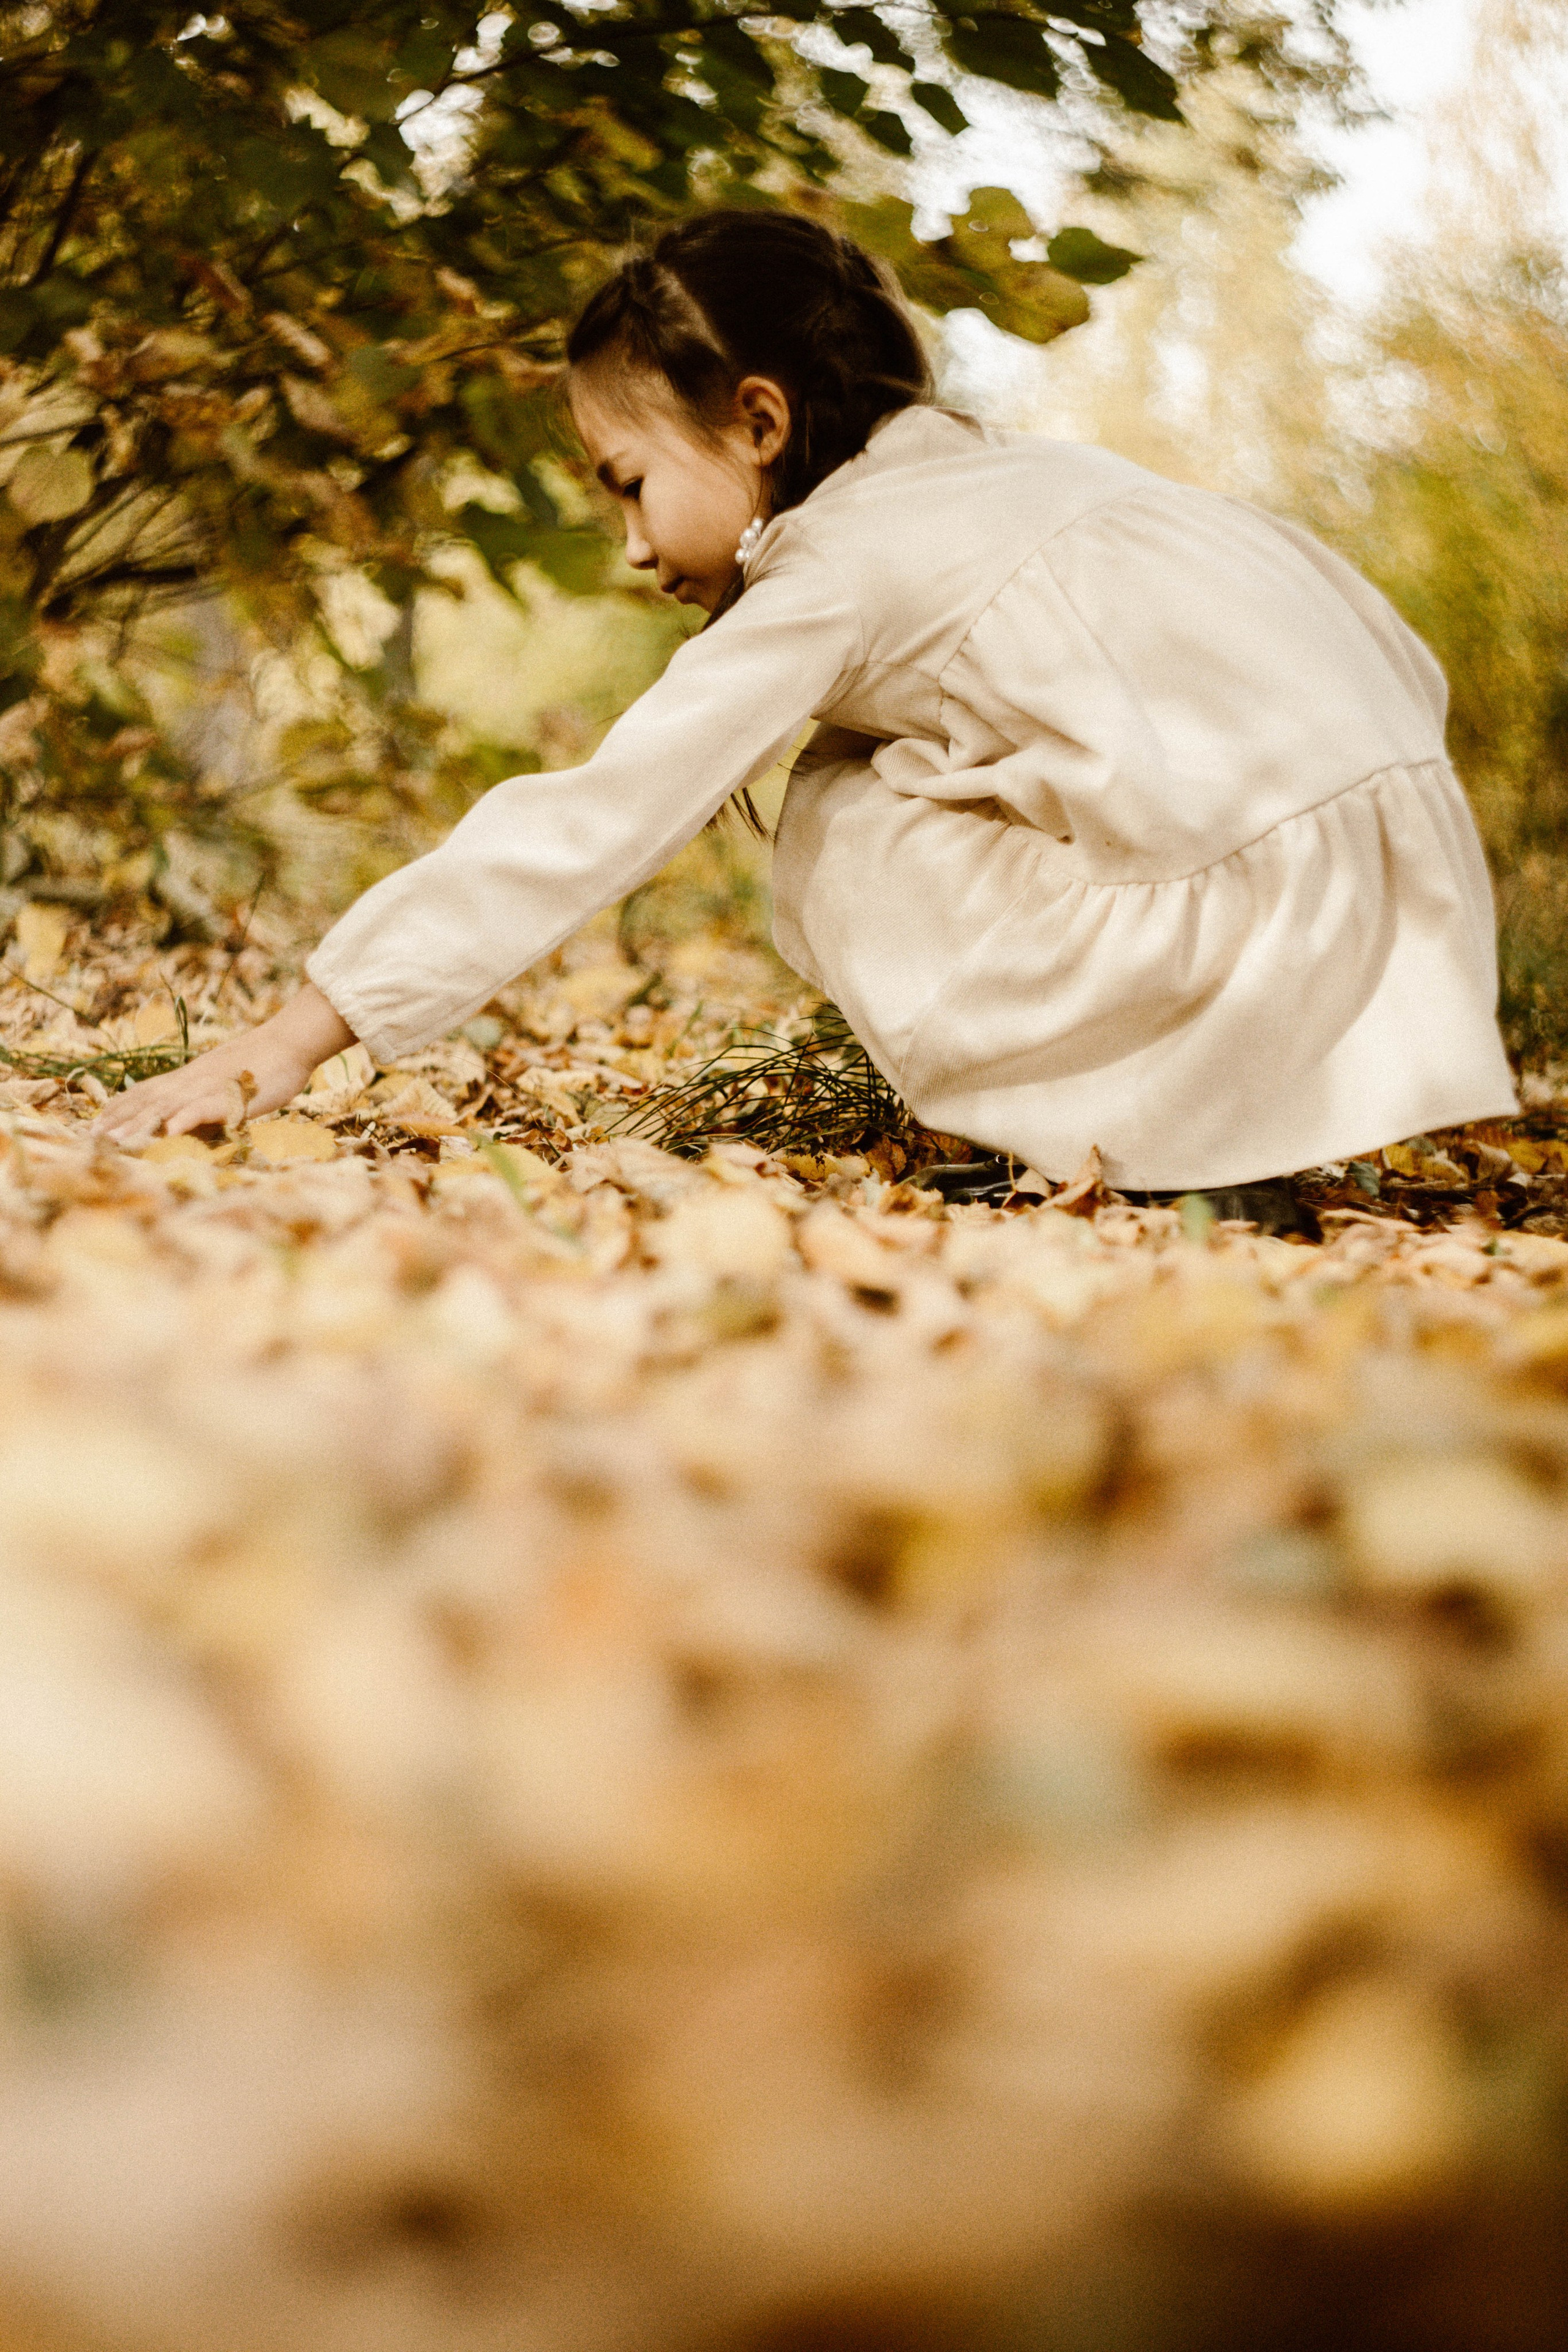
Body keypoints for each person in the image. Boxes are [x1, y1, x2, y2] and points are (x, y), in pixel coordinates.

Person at [97, 208, 1518, 1215]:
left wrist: (285, 1041)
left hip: (1247, 923)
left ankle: (1150, 1126)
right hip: (1381, 872)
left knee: (839, 798)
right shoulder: (1021, 478)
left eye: (628, 483)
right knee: (901, 754)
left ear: (759, 424)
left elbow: (597, 817)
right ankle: (1194, 1109)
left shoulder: (836, 570)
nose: (635, 551)